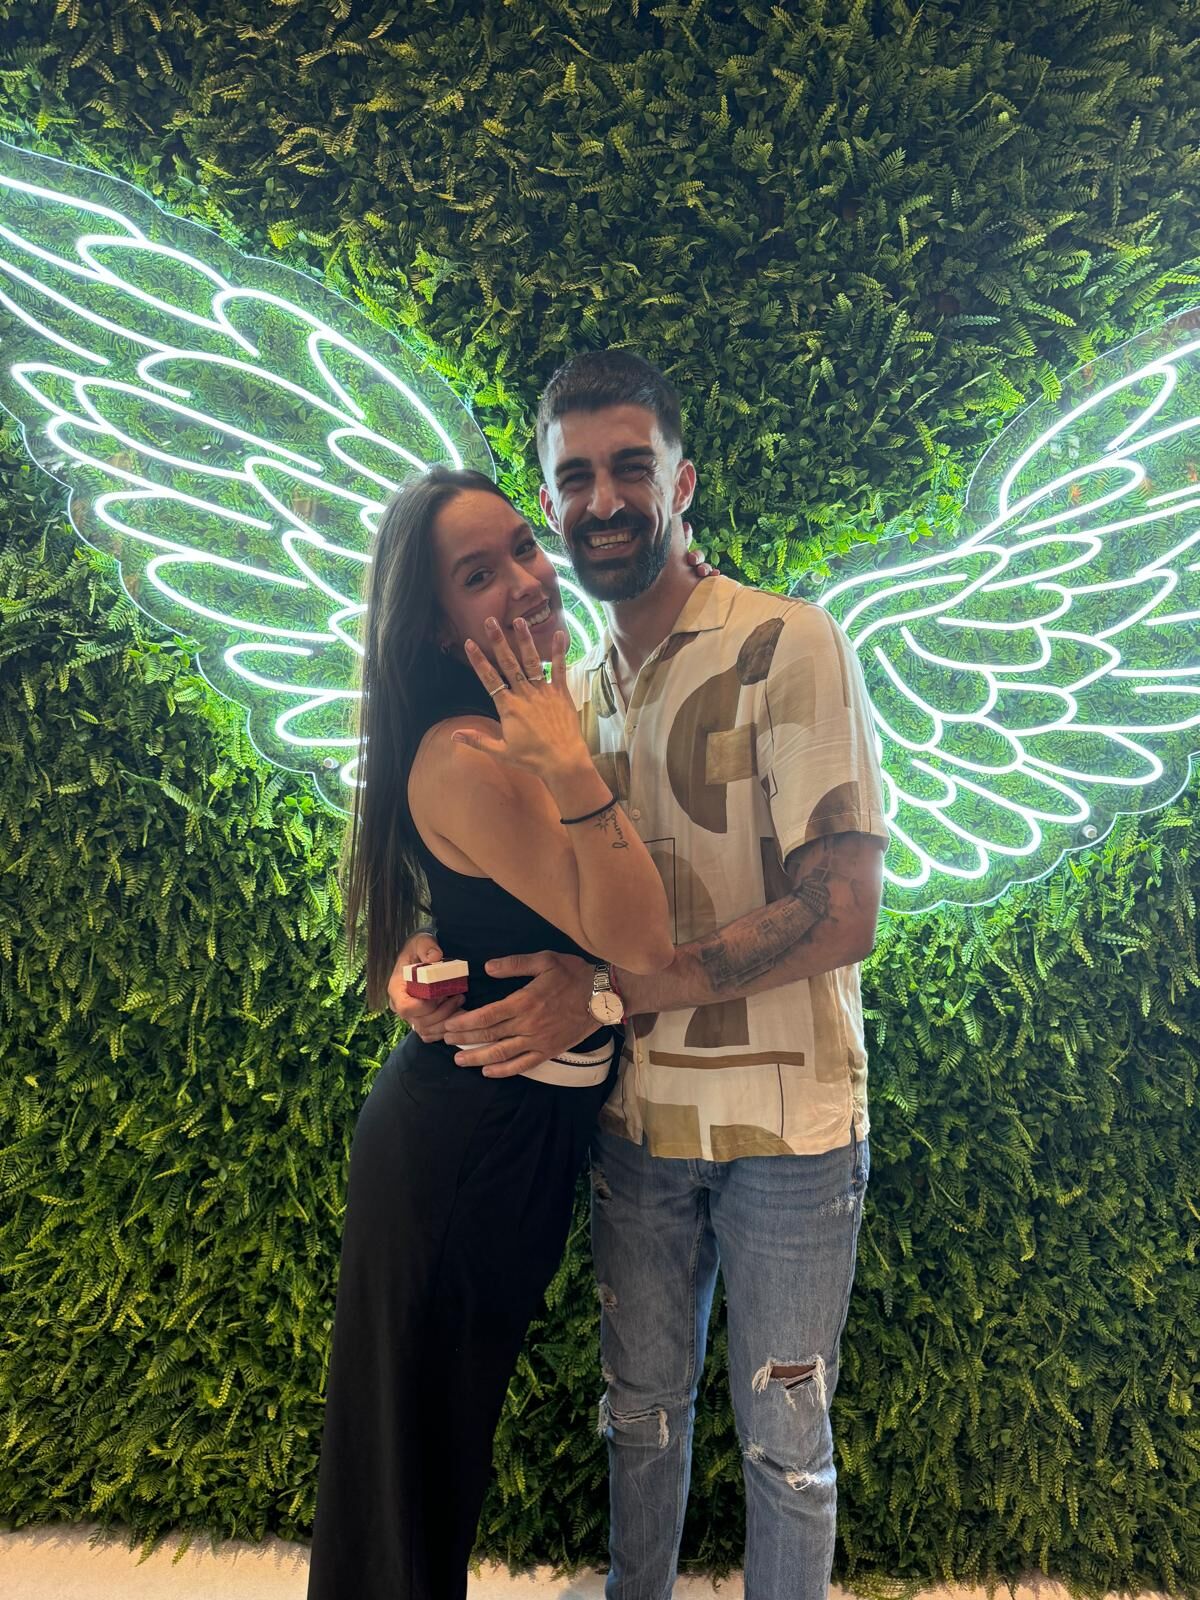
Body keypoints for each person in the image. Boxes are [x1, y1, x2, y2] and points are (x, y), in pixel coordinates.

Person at [390, 352, 890, 1600]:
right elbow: (513, 877)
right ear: (552, 505)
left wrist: (609, 991)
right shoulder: (563, 692)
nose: (603, 500)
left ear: (683, 482)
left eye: (629, 467)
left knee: (788, 1452)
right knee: (640, 1418)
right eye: (574, 478)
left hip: (789, 1130)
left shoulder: (789, 643)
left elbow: (841, 914)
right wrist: (426, 949)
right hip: (635, 1127)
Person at [306, 464, 680, 1600]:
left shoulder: (509, 727)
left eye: (522, 547)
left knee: (421, 1459)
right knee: (410, 1474)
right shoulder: (475, 756)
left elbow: (499, 925)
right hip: (471, 1144)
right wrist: (565, 759)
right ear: (436, 626)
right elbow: (643, 938)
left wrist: (422, 965)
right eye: (478, 575)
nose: (525, 578)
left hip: (494, 1131)